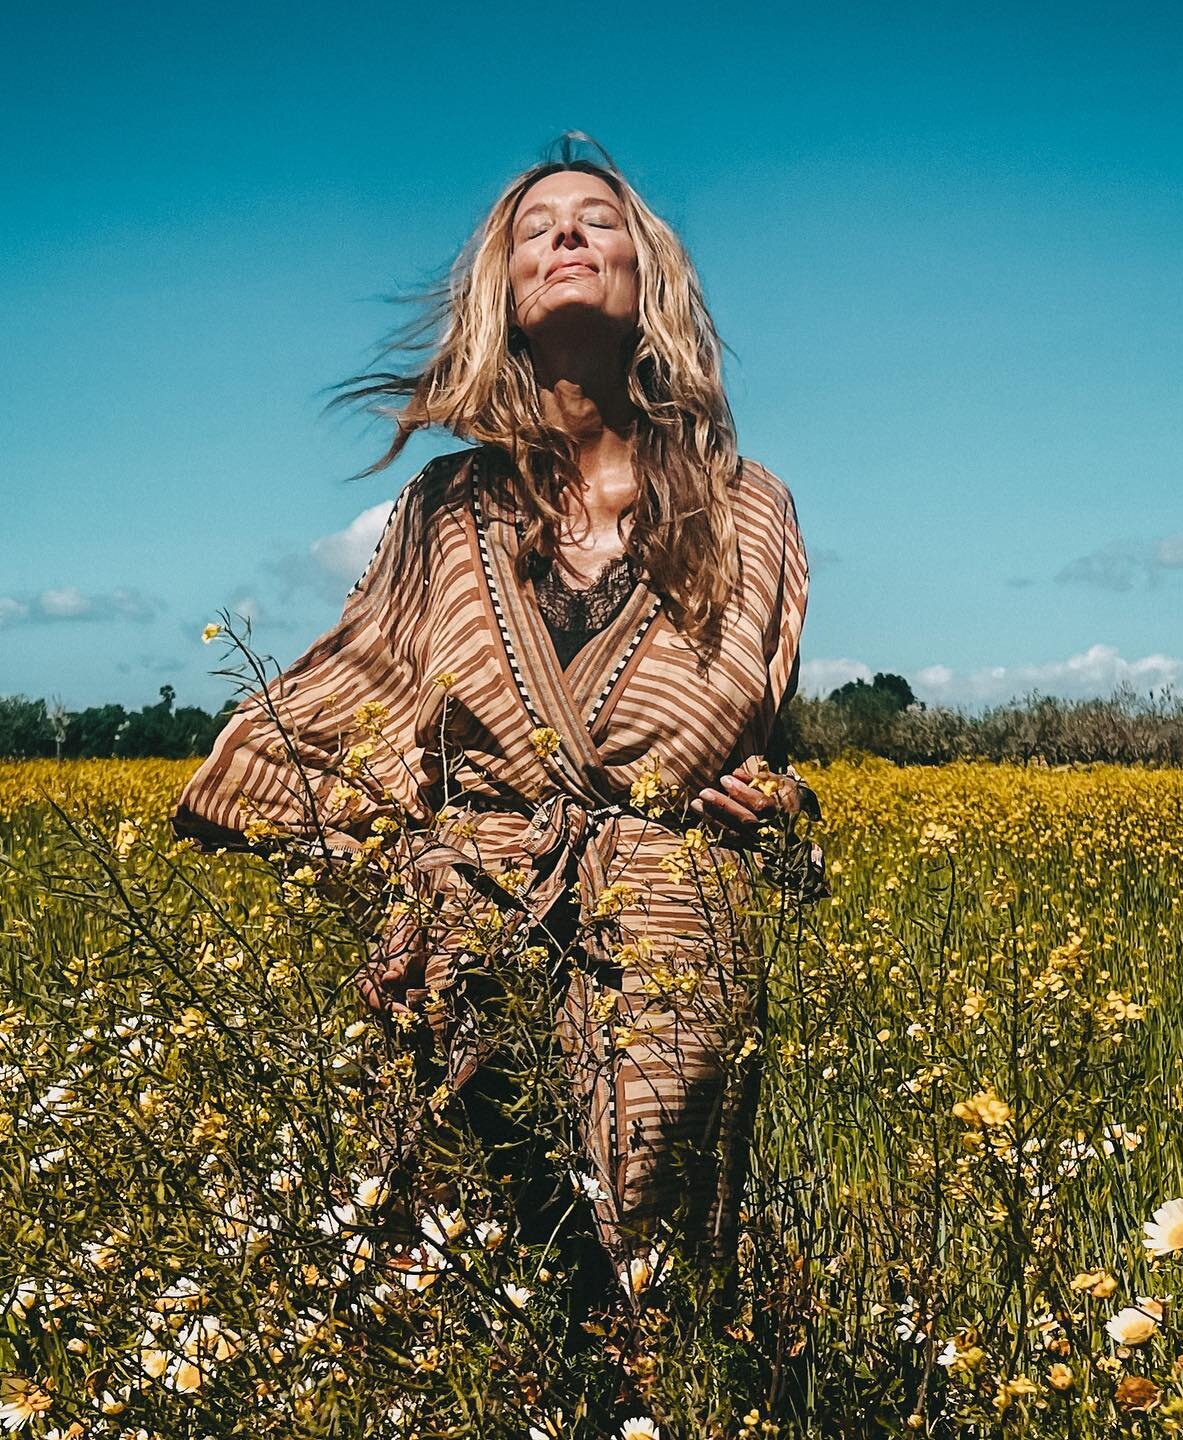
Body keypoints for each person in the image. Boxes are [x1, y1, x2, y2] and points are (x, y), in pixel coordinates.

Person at [172, 134, 826, 1314]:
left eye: (598, 219)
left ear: (650, 281)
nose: (566, 235)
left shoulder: (747, 503)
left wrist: (773, 801)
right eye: (536, 228)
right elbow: (365, 692)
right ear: (505, 296)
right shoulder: (446, 505)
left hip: (670, 915)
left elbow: (753, 725)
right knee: (465, 1265)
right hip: (466, 912)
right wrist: (374, 861)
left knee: (650, 1278)